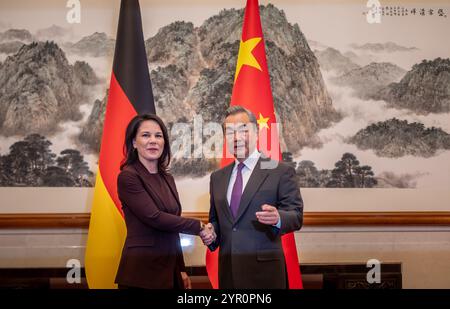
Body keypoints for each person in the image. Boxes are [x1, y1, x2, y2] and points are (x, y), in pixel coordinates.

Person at [204, 106, 304, 289]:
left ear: (256, 133)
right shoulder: (217, 178)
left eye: (243, 130)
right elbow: (217, 221)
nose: (237, 137)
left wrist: (278, 218)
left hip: (265, 275)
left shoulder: (280, 171)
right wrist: (211, 233)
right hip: (228, 274)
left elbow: (296, 216)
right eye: (230, 132)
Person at [115, 114, 214, 289]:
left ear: (164, 143)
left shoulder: (167, 178)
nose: (153, 141)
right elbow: (154, 217)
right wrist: (199, 227)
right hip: (141, 273)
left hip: (170, 272)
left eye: (158, 136)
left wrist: (181, 269)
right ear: (133, 143)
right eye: (145, 135)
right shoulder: (128, 177)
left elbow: (172, 227)